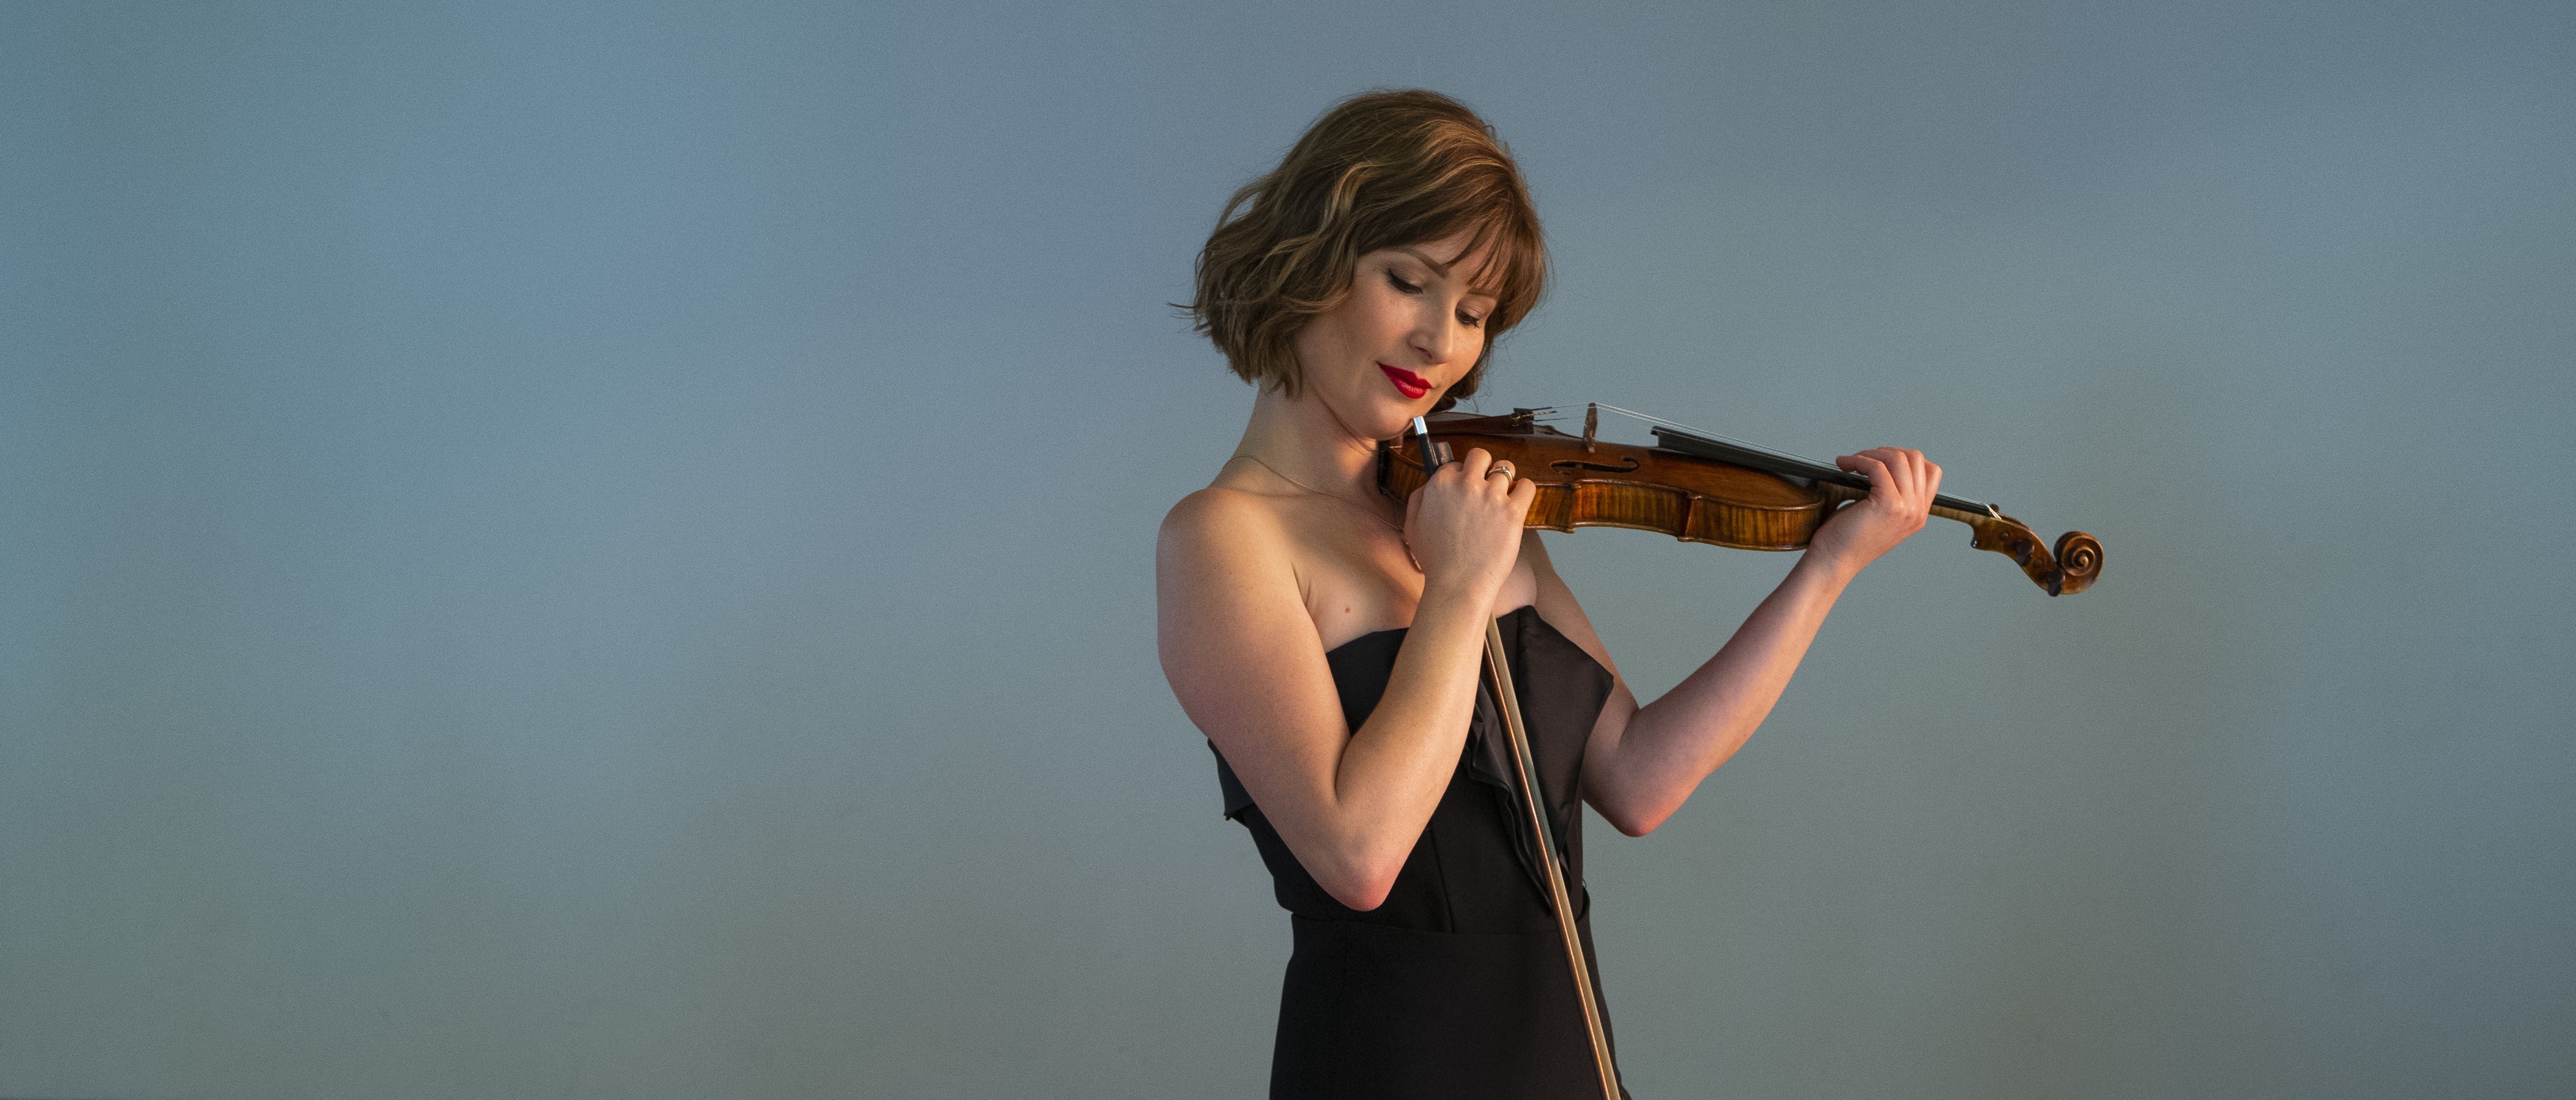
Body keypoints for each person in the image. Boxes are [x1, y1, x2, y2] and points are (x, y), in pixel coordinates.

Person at [1156, 89, 1943, 1099]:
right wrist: (1458, 589)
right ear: (1309, 260)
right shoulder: (1226, 539)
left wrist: (1828, 567)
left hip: (1563, 1057)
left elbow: (1641, 779)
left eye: (1474, 313)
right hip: (1389, 1064)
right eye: (1409, 281)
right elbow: (1358, 855)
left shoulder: (1468, 510)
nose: (1441, 342)